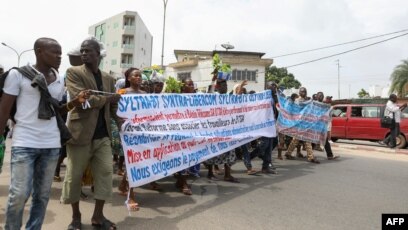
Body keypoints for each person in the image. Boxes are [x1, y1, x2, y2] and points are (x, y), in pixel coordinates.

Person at [0, 37, 89, 230]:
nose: (59, 56)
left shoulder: (58, 77)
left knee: (42, 195)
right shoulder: (18, 75)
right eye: (54, 52)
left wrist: (74, 103)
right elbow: (4, 110)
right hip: (24, 142)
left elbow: (55, 111)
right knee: (19, 194)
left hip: (51, 145)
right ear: (39, 52)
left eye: (60, 52)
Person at [61, 37, 121, 230]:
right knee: (73, 177)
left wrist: (121, 123)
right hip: (80, 135)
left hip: (102, 136)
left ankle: (98, 216)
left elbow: (112, 106)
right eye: (82, 51)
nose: (84, 53)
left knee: (105, 174)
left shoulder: (109, 78)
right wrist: (108, 98)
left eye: (88, 51)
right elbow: (84, 100)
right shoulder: (73, 73)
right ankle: (76, 216)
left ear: (98, 54)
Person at [206, 78, 239, 182]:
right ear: (218, 87)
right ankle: (210, 173)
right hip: (214, 129)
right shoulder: (213, 96)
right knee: (212, 152)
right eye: (223, 86)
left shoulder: (228, 98)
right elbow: (209, 93)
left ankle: (227, 174)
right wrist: (213, 78)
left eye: (226, 86)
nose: (226, 88)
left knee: (230, 150)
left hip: (227, 129)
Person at [284, 87, 320, 164]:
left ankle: (288, 153)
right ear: (299, 93)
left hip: (305, 123)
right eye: (302, 92)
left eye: (305, 92)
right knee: (304, 140)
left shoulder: (307, 101)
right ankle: (310, 157)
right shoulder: (298, 101)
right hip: (299, 123)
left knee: (298, 140)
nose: (304, 93)